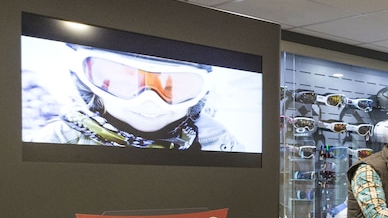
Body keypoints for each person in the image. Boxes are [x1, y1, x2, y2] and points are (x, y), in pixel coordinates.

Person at [30, 45, 243, 151]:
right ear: (88, 85)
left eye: (174, 87)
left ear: (199, 96)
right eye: (123, 83)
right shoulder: (60, 140)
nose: (149, 101)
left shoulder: (217, 141)